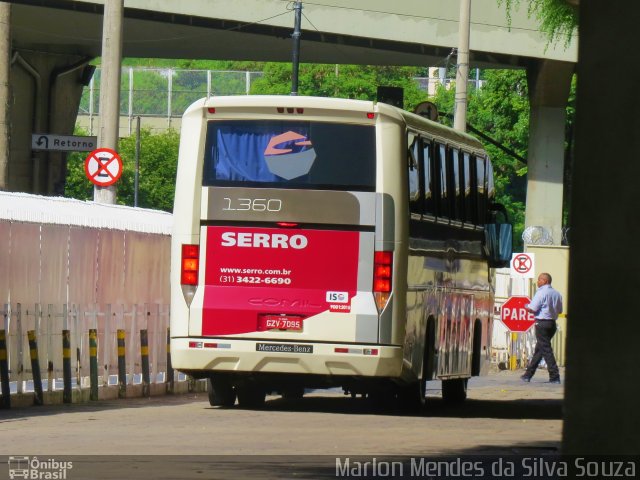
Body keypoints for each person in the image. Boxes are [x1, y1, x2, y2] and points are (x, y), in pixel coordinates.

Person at [521, 272, 563, 384]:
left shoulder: (541, 292)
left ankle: (555, 376)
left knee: (546, 350)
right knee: (540, 350)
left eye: (539, 279)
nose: (538, 282)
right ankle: (528, 375)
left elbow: (533, 308)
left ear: (545, 281)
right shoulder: (557, 294)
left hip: (542, 324)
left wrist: (526, 307)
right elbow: (560, 311)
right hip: (552, 324)